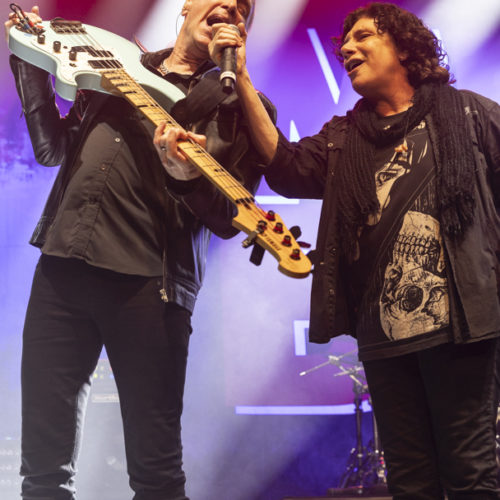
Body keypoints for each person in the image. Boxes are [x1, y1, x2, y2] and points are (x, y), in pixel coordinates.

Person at [164, 2, 500, 499]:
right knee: (410, 481)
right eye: (345, 44)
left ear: (404, 48)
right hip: (386, 338)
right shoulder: (345, 137)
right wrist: (245, 76)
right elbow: (286, 167)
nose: (348, 49)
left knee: (470, 473)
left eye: (364, 37)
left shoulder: (471, 114)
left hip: (462, 329)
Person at [5, 1, 274, 499]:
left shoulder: (243, 107)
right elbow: (51, 150)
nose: (228, 8)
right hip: (63, 267)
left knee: (156, 474)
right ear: (186, 6)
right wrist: (29, 59)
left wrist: (186, 177)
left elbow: (226, 218)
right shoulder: (113, 61)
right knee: (42, 470)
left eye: (241, 8)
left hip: (152, 287)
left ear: (244, 31)